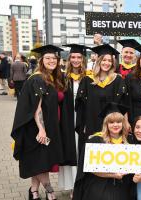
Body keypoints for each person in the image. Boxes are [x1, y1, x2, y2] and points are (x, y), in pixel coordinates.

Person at [11, 45, 66, 200]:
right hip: (36, 128)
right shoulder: (38, 78)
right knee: (41, 162)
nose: (51, 61)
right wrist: (41, 129)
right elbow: (38, 107)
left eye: (53, 58)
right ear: (42, 60)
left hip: (45, 127)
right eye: (47, 58)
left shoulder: (49, 78)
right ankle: (50, 191)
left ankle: (34, 192)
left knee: (38, 161)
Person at [73, 103, 135, 200]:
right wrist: (113, 175)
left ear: (123, 123)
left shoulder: (130, 140)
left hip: (123, 183)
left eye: (118, 122)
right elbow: (90, 169)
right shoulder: (95, 140)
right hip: (100, 181)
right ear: (106, 124)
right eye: (111, 122)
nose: (115, 125)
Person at [75, 44, 126, 154]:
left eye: (109, 61)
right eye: (104, 60)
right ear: (98, 61)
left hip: (112, 124)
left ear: (113, 63)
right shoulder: (87, 80)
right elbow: (81, 105)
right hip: (91, 122)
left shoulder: (117, 80)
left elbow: (122, 103)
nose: (106, 63)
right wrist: (82, 124)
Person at [57, 44, 89, 197]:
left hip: (83, 119)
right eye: (73, 57)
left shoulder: (89, 78)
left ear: (83, 59)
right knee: (71, 150)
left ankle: (83, 184)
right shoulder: (63, 78)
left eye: (79, 57)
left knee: (82, 149)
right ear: (69, 59)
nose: (76, 60)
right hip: (68, 119)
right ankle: (72, 186)